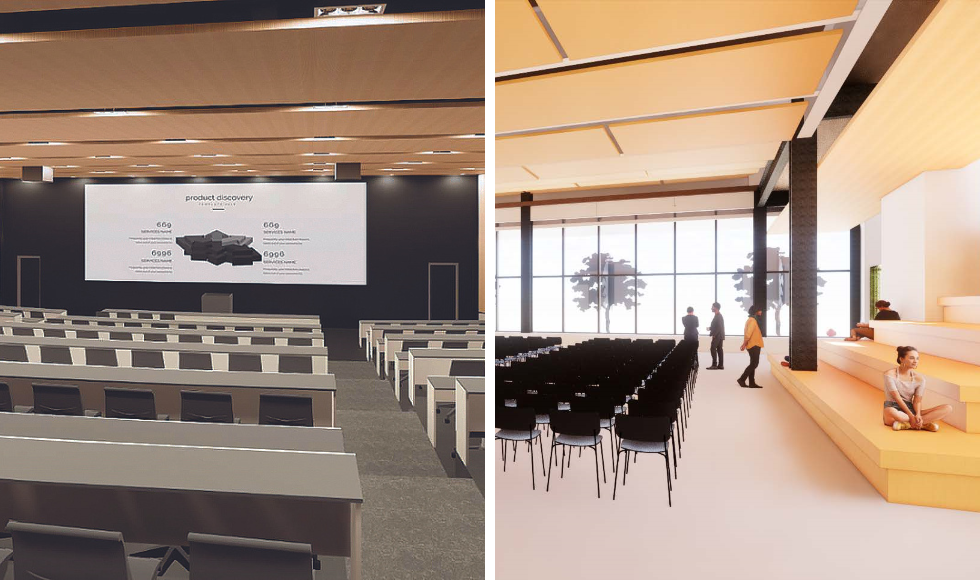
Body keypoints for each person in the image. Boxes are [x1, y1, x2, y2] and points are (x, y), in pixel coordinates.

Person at [884, 346, 952, 431]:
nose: (915, 361)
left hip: (910, 408)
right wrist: (911, 416)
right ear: (901, 359)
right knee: (891, 411)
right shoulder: (889, 374)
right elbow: (897, 398)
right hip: (893, 407)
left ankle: (908, 424)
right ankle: (923, 424)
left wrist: (918, 415)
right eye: (912, 358)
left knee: (947, 408)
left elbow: (917, 401)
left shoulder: (920, 379)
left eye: (917, 358)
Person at [738, 305, 764, 388]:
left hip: (753, 344)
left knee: (753, 363)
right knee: (754, 364)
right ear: (756, 311)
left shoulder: (751, 319)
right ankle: (742, 379)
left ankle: (752, 383)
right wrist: (744, 344)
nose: (761, 312)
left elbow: (748, 333)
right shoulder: (752, 320)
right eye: (760, 310)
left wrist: (744, 344)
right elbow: (748, 334)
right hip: (754, 345)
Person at [706, 302, 725, 370]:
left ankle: (714, 365)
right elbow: (717, 326)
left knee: (713, 348)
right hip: (720, 335)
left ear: (716, 308)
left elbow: (719, 327)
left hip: (717, 335)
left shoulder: (718, 316)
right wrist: (710, 328)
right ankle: (720, 365)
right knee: (719, 349)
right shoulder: (718, 315)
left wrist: (714, 334)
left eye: (712, 307)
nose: (711, 308)